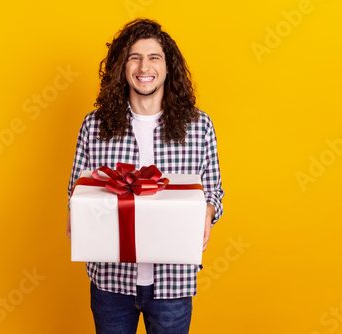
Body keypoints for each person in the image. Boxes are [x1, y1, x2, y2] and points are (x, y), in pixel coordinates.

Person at [67, 18, 224, 334]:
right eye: (134, 57)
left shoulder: (199, 127)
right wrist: (76, 215)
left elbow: (214, 194)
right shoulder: (95, 126)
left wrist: (208, 211)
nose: (144, 66)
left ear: (168, 68)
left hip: (173, 284)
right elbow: (76, 191)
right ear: (121, 68)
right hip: (110, 282)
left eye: (154, 57)